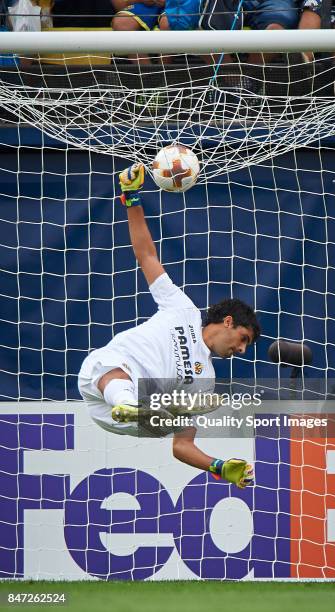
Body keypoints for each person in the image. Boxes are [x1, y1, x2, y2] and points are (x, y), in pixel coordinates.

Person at [78, 163, 260, 489]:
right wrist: (131, 199)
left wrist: (219, 467)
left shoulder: (205, 382)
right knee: (114, 370)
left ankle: (141, 409)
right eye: (243, 339)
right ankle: (132, 405)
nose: (241, 350)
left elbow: (182, 446)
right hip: (107, 380)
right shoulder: (182, 309)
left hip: (132, 415)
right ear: (228, 322)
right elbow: (146, 255)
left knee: (170, 415)